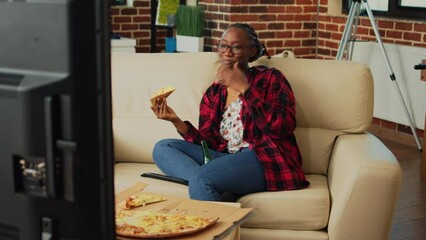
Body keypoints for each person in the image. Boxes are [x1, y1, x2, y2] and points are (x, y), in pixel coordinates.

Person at [151, 23, 309, 201]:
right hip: (224, 158)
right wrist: (176, 121)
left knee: (202, 177)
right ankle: (216, 184)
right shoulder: (214, 93)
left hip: (262, 158)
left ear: (252, 50)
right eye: (223, 45)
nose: (227, 52)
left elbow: (282, 126)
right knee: (163, 147)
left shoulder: (270, 79)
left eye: (236, 47)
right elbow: (208, 145)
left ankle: (206, 182)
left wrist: (244, 88)